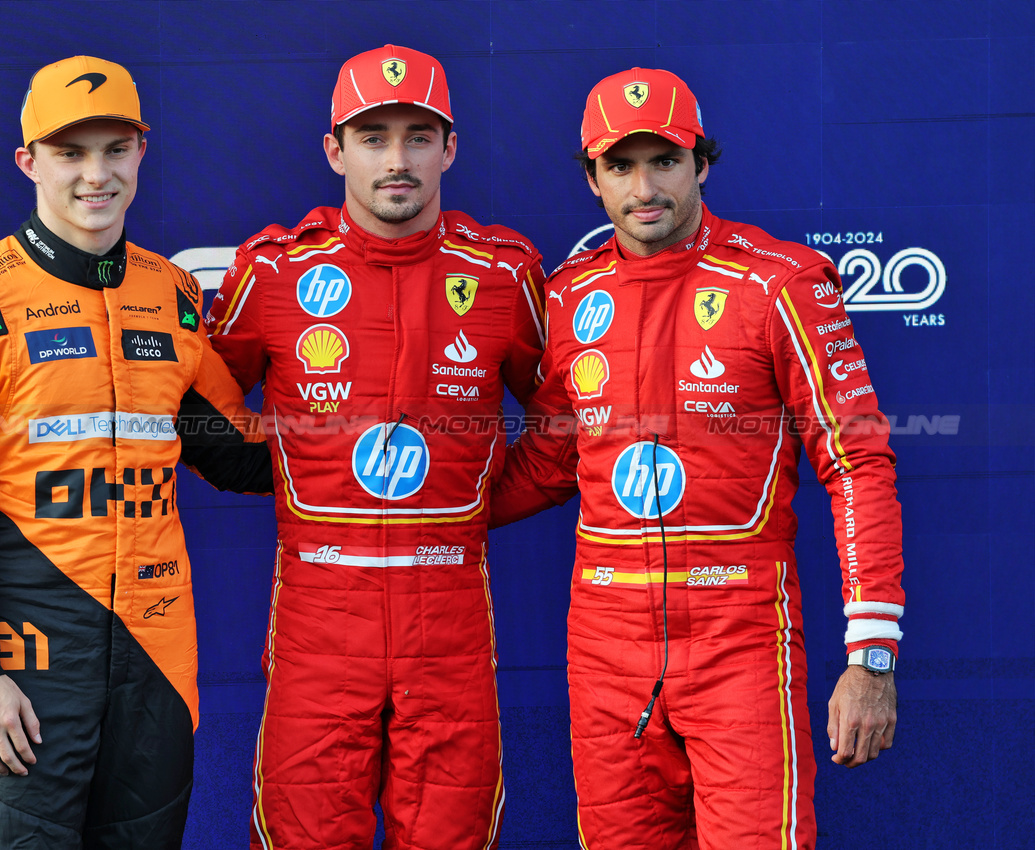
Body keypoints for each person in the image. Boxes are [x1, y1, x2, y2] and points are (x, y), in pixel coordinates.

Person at [490, 68, 905, 848]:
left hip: (738, 636)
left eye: (665, 160)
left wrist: (871, 659)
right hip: (604, 647)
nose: (643, 187)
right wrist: (415, 512)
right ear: (591, 178)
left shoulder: (778, 284)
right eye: (620, 165)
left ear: (701, 163)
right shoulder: (569, 296)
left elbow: (856, 465)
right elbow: (547, 465)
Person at [0, 55, 270, 849]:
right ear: (29, 161)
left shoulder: (171, 294)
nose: (95, 175)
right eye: (70, 153)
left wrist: (365, 409)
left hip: (158, 660)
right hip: (27, 666)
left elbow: (239, 455)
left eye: (114, 149)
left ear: (142, 151)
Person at [205, 44, 547, 850]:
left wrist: (469, 508)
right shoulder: (275, 272)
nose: (397, 160)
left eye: (417, 136)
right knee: (302, 835)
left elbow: (571, 424)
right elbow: (205, 415)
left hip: (450, 616)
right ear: (334, 150)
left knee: (452, 837)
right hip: (320, 617)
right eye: (372, 137)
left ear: (449, 147)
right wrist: (297, 481)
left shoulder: (504, 273)